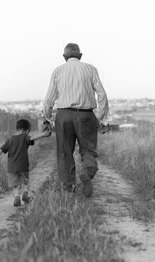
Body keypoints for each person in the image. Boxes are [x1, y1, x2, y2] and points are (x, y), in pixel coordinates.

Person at [43, 43, 109, 198]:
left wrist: (48, 117)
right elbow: (102, 95)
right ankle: (87, 172)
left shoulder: (57, 71)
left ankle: (68, 187)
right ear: (80, 56)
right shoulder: (90, 69)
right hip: (86, 115)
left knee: (64, 152)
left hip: (63, 115)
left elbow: (49, 99)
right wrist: (104, 119)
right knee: (88, 149)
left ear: (65, 57)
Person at [0, 119, 51, 206]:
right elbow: (32, 138)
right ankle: (25, 194)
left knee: (16, 184)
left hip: (11, 167)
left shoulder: (10, 139)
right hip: (23, 165)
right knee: (25, 181)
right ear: (26, 130)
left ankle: (17, 198)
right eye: (28, 131)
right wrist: (43, 134)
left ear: (18, 128)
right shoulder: (24, 136)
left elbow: (0, 149)